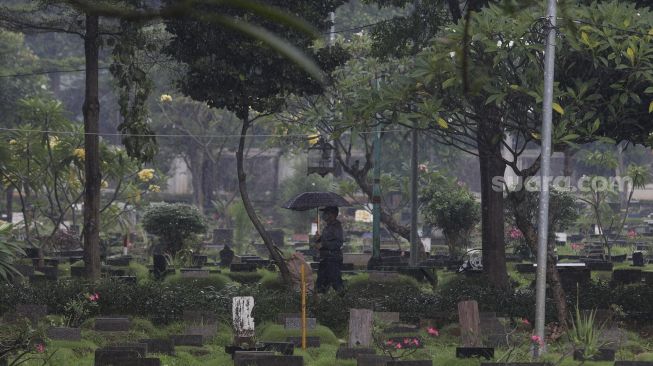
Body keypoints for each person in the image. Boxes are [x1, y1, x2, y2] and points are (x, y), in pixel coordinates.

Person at [314, 206, 344, 292]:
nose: (324, 215)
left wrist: (322, 244)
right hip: (325, 258)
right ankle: (320, 300)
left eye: (326, 213)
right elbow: (327, 239)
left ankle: (343, 299)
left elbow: (338, 243)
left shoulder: (336, 226)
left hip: (333, 258)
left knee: (336, 282)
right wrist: (319, 238)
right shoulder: (328, 227)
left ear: (332, 214)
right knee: (321, 281)